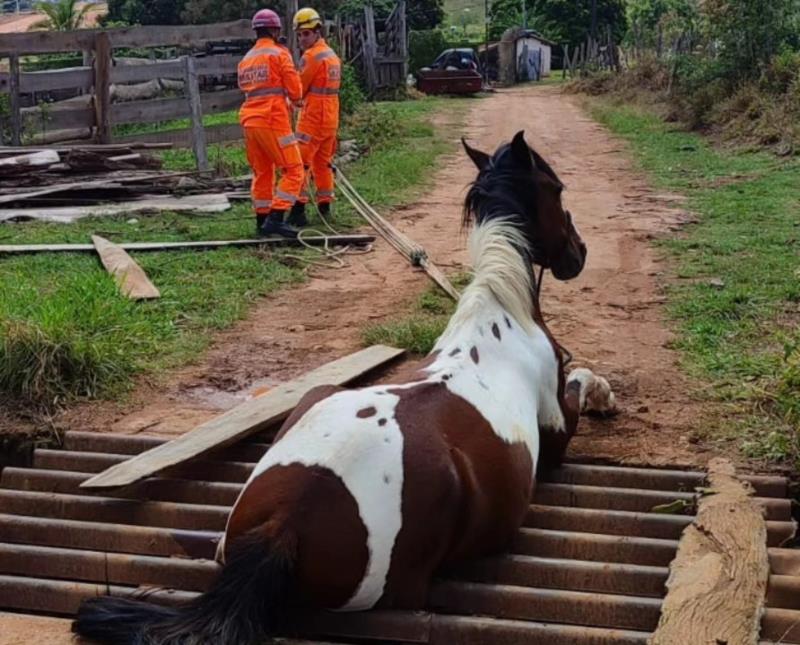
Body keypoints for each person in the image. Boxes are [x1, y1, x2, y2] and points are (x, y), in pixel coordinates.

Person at [238, 8, 305, 238]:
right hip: (273, 119)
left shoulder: (246, 59)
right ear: (276, 30)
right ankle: (276, 218)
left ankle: (262, 221)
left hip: (250, 121)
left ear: (256, 31)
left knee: (263, 171)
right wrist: (296, 101)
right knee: (294, 169)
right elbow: (295, 90)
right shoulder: (279, 54)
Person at [287, 7, 341, 228]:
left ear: (317, 32)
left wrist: (292, 99)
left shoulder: (311, 57)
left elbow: (300, 88)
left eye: (306, 34)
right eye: (299, 34)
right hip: (330, 117)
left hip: (314, 117)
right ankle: (324, 205)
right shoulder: (331, 54)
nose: (302, 39)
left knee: (301, 164)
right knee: (323, 164)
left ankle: (298, 210)